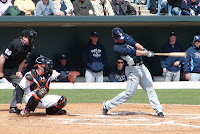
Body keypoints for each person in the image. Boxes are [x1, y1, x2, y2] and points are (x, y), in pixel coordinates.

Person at [102, 27, 164, 117]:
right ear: (114, 38)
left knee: (150, 88)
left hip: (142, 67)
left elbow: (135, 44)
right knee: (129, 93)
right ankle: (107, 105)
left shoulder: (125, 37)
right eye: (119, 38)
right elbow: (134, 52)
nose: (121, 39)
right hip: (132, 70)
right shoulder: (117, 48)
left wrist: (144, 50)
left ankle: (158, 109)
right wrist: (145, 53)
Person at [16, 56, 80, 117]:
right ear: (38, 65)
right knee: (41, 91)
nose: (47, 66)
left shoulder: (49, 73)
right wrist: (19, 102)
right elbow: (20, 88)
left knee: (62, 100)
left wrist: (68, 76)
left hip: (43, 97)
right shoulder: (30, 75)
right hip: (30, 97)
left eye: (47, 65)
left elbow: (59, 76)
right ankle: (26, 110)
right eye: (44, 65)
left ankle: (51, 111)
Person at [0, 29, 37, 113]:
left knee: (20, 84)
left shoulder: (29, 47)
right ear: (24, 38)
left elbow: (22, 59)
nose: (32, 40)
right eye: (30, 38)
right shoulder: (15, 44)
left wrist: (19, 71)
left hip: (12, 69)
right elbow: (2, 57)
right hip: (2, 67)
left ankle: (13, 107)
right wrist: (1, 72)